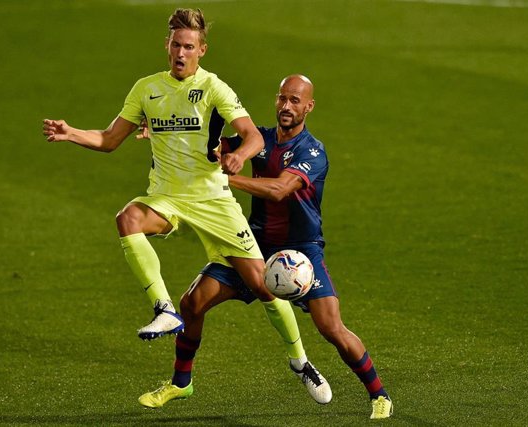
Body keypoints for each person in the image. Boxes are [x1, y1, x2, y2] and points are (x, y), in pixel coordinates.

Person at [42, 8, 327, 400]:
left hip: (212, 199)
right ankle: (164, 312)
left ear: (202, 50)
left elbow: (254, 137)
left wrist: (239, 156)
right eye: (176, 44)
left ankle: (300, 361)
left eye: (189, 46)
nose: (181, 52)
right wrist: (71, 132)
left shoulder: (214, 88)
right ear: (167, 45)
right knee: (127, 219)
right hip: (167, 196)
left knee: (263, 286)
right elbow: (110, 139)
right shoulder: (146, 89)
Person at [138, 75, 393, 419]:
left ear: (308, 107)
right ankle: (181, 383)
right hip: (255, 244)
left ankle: (379, 395)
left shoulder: (312, 151)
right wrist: (165, 135)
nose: (287, 107)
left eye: (295, 101)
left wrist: (225, 179)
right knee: (192, 303)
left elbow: (278, 190)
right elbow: (209, 150)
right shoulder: (262, 140)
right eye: (282, 99)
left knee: (331, 328)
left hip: (301, 251)